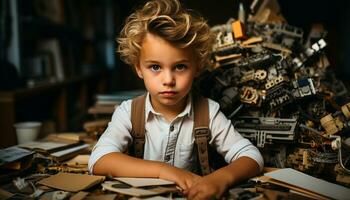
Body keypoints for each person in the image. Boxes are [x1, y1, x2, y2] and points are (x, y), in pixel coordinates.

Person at [88, 0, 263, 199]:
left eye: (180, 67)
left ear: (197, 67)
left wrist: (221, 178)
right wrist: (163, 171)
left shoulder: (208, 112)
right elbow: (98, 160)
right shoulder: (128, 112)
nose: (168, 80)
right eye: (155, 67)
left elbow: (252, 156)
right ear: (138, 68)